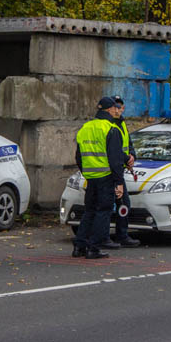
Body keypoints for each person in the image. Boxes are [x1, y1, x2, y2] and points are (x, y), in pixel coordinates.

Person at [72, 96, 126, 259]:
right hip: (106, 176)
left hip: (91, 177)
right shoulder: (111, 129)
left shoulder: (85, 128)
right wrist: (119, 182)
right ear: (109, 110)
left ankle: (79, 246)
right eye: (115, 108)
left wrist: (86, 172)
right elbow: (115, 160)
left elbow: (79, 157)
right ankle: (94, 247)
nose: (117, 110)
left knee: (89, 211)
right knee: (104, 211)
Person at [109, 95, 140, 248]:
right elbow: (113, 150)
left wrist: (131, 156)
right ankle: (108, 236)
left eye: (120, 107)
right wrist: (124, 157)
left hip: (119, 169)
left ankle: (121, 235)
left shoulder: (122, 124)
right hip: (111, 170)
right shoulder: (109, 125)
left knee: (123, 203)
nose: (118, 109)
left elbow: (129, 144)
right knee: (109, 205)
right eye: (115, 106)